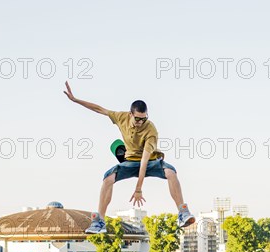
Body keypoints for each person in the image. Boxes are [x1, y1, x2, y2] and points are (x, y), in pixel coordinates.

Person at [63, 81, 195, 233]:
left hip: (150, 161)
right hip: (129, 162)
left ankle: (182, 212)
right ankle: (100, 221)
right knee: (108, 178)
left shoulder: (151, 130)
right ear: (130, 114)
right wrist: (75, 100)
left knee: (171, 172)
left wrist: (138, 188)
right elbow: (99, 109)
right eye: (137, 119)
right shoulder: (121, 117)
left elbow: (144, 161)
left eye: (144, 119)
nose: (140, 122)